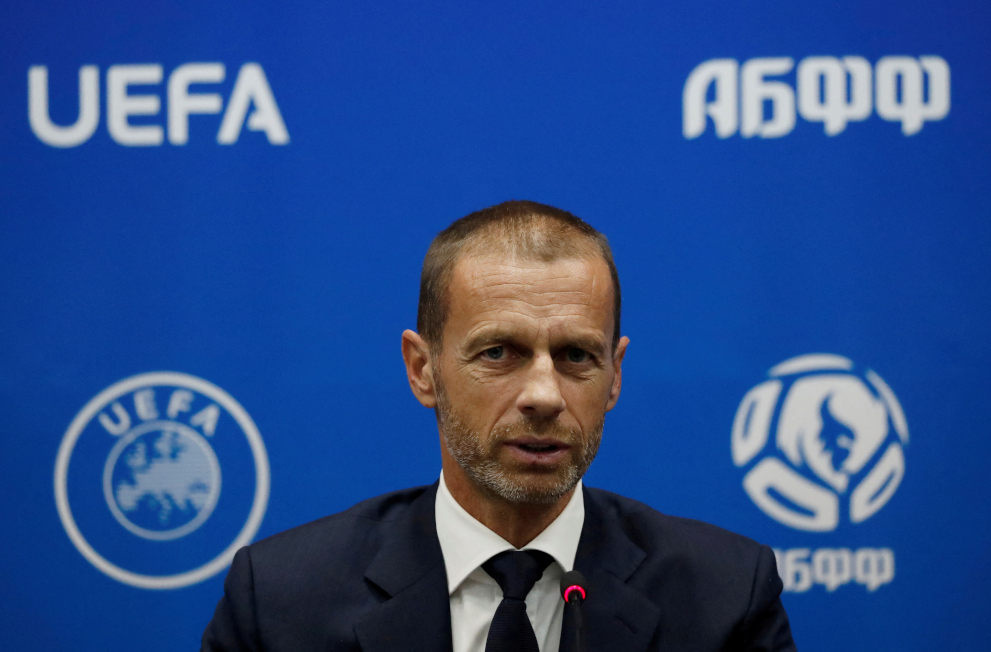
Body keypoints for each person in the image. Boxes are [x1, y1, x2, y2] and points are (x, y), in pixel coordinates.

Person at [201, 200, 796, 652]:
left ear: (614, 376)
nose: (544, 395)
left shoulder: (726, 597)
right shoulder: (280, 601)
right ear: (423, 370)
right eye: (498, 353)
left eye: (576, 356)